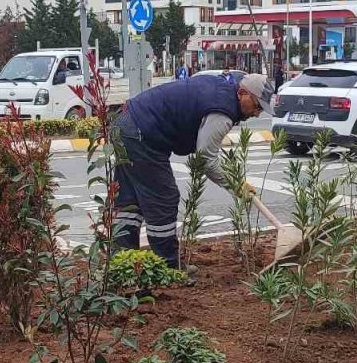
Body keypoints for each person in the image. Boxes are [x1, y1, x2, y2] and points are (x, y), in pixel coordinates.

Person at [111, 73, 274, 269]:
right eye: (257, 106)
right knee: (163, 198)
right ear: (242, 93)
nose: (257, 113)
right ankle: (168, 266)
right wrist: (236, 185)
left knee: (130, 201)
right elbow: (206, 158)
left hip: (126, 122)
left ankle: (121, 264)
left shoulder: (220, 90)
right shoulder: (222, 111)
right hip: (141, 132)